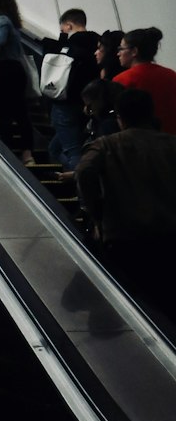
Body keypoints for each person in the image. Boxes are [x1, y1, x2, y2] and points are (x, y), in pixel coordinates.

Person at [75, 88, 176, 322]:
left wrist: (95, 212)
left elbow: (84, 171)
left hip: (124, 236)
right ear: (151, 114)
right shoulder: (172, 144)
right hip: (169, 236)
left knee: (132, 303)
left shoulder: (106, 145)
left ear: (120, 117)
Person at [42, 7, 100, 173]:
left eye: (62, 29)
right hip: (89, 105)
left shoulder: (67, 48)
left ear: (68, 25)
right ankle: (77, 176)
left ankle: (81, 180)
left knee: (73, 151)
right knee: (55, 148)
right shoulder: (100, 45)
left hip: (65, 103)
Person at [0, 0, 34, 165]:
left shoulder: (1, 20)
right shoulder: (5, 19)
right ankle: (25, 152)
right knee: (18, 112)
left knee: (9, 112)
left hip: (7, 70)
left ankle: (18, 152)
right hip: (12, 69)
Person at [113, 27, 176, 135]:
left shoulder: (122, 80)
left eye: (121, 49)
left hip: (142, 142)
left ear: (134, 51)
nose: (118, 53)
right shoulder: (171, 74)